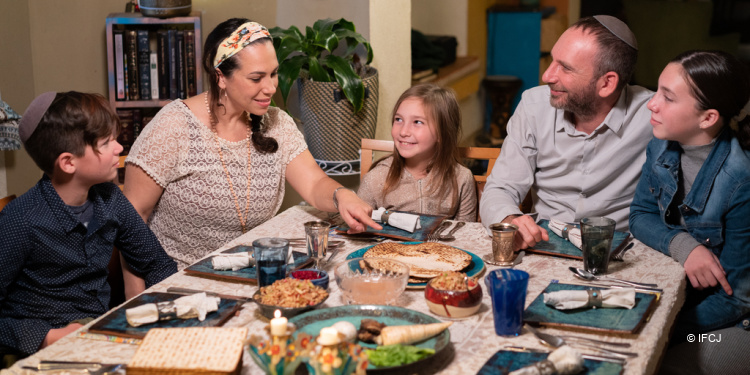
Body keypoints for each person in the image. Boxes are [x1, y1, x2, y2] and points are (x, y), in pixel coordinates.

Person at [123, 18, 380, 270]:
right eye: (256, 78)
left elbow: (314, 184)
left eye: (274, 74)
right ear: (221, 76)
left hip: (256, 271)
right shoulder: (173, 126)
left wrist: (341, 195)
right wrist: (136, 299)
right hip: (181, 282)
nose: (270, 87)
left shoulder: (277, 123)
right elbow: (132, 220)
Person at [0, 92, 177, 357]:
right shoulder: (21, 221)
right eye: (106, 143)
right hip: (40, 351)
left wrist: (179, 312)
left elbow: (156, 263)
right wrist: (46, 337)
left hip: (99, 334)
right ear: (68, 162)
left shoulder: (110, 197)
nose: (119, 148)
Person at [479, 15, 653, 249]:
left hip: (619, 252)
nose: (547, 76)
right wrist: (509, 220)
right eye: (552, 61)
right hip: (544, 245)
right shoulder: (533, 106)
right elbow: (501, 188)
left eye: (566, 68)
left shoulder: (653, 115)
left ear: (607, 83)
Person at [629, 50, 750, 375]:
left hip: (737, 324)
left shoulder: (742, 180)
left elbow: (738, 300)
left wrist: (658, 327)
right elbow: (640, 214)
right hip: (683, 300)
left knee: (661, 367)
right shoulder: (662, 143)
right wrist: (686, 246)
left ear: (707, 118)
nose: (651, 104)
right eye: (657, 91)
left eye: (668, 98)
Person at [358, 84, 476, 221]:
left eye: (417, 122)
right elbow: (359, 235)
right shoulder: (375, 179)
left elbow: (466, 235)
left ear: (442, 133)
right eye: (398, 119)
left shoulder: (461, 178)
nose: (403, 132)